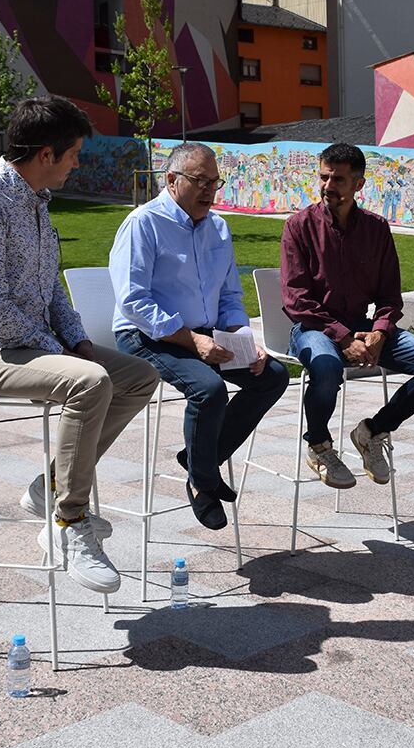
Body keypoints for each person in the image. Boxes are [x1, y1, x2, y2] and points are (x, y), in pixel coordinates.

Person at [0, 95, 159, 594]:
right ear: (45, 154)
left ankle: (49, 486)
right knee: (90, 382)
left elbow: (51, 288)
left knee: (138, 376)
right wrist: (59, 350)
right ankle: (68, 523)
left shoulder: (35, 203)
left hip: (28, 346)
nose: (78, 163)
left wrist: (76, 340)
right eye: (74, 153)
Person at [111, 142, 289, 530]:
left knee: (271, 376)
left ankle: (197, 460)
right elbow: (132, 301)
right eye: (200, 181)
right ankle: (202, 482)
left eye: (215, 182)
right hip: (146, 334)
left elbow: (228, 296)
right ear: (172, 180)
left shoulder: (219, 227)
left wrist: (242, 339)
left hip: (204, 332)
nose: (210, 190)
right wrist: (192, 341)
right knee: (209, 390)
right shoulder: (143, 223)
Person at [281, 143, 414, 489]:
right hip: (313, 328)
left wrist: (380, 333)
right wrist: (344, 337)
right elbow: (296, 300)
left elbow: (390, 295)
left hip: (364, 328)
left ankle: (372, 431)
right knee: (327, 366)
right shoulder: (299, 227)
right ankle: (318, 444)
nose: (328, 185)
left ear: (359, 184)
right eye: (324, 177)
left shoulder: (376, 229)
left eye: (339, 179)